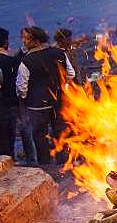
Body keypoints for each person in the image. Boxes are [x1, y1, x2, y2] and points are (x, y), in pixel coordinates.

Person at [16, 27, 74, 166]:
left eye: (27, 38)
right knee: (60, 133)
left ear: (36, 40)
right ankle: (64, 163)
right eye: (23, 38)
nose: (24, 41)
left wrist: (25, 98)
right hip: (58, 102)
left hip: (37, 106)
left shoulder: (27, 61)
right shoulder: (59, 53)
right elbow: (71, 74)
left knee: (40, 136)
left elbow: (21, 88)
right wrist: (60, 87)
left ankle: (45, 165)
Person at [0, 28, 30, 159]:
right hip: (13, 102)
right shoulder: (12, 61)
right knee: (24, 132)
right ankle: (31, 160)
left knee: (0, 136)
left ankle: (7, 160)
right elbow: (20, 82)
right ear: (5, 42)